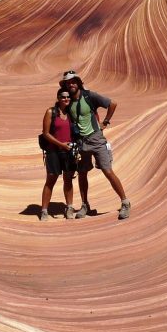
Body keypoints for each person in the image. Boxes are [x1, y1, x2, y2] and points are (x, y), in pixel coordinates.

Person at [60, 70, 131, 220]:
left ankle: (125, 202)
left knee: (107, 170)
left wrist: (105, 122)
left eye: (73, 81)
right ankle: (85, 205)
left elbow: (112, 104)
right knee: (82, 174)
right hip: (81, 142)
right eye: (68, 82)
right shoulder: (68, 101)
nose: (71, 84)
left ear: (78, 82)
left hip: (96, 139)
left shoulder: (89, 96)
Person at [40, 88, 77, 221]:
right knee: (51, 180)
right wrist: (61, 145)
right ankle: (44, 210)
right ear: (58, 98)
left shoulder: (71, 113)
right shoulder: (51, 112)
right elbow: (46, 133)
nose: (66, 99)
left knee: (68, 180)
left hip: (68, 151)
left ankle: (69, 208)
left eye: (68, 97)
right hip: (53, 151)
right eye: (63, 97)